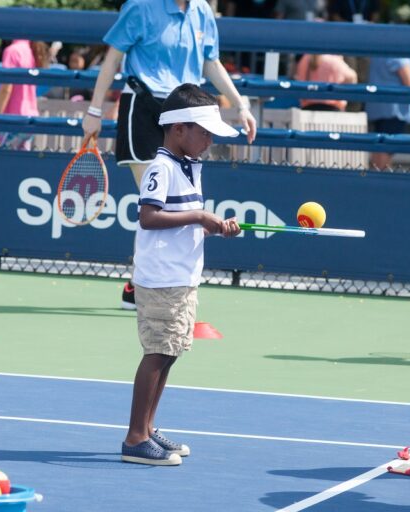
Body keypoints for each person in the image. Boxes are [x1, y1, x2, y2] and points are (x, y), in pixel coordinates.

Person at [81, 0, 257, 310]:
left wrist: (240, 105)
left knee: (177, 201)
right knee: (157, 201)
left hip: (186, 114)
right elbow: (112, 59)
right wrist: (94, 110)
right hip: (143, 108)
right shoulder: (140, 7)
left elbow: (210, 63)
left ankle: (138, 285)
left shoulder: (202, 11)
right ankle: (144, 286)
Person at [121, 83, 241, 465]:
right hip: (161, 279)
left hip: (183, 276)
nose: (208, 140)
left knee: (170, 353)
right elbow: (149, 217)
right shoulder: (161, 168)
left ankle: (149, 428)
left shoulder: (191, 167)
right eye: (204, 132)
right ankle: (135, 437)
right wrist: (200, 217)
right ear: (178, 130)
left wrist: (214, 226)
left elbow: (182, 223)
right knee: (157, 353)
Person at [0, 40, 49, 150]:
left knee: (3, 162)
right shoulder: (30, 50)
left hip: (12, 120)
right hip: (29, 118)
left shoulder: (12, 51)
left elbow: (6, 89)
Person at [365, 56, 410, 170]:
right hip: (394, 110)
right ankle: (383, 182)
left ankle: (375, 181)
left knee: (378, 148)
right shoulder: (399, 56)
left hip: (376, 107)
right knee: (387, 150)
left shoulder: (378, 55)